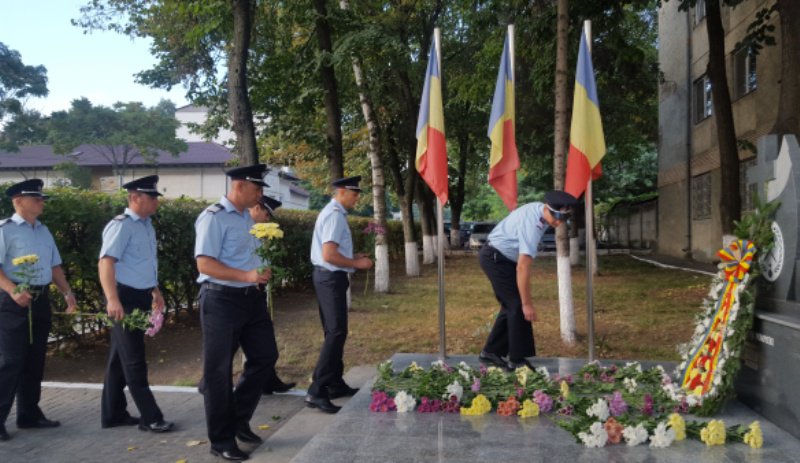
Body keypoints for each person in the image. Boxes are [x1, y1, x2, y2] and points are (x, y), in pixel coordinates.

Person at [195, 164, 278, 461]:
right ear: (240, 186)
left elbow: (247, 258)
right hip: (221, 301)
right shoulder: (213, 217)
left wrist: (259, 271)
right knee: (218, 372)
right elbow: (204, 264)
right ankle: (221, 440)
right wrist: (246, 276)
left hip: (250, 300)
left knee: (266, 356)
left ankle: (238, 418)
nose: (260, 195)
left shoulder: (247, 217)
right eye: (257, 189)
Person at [0, 179, 77, 442]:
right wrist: (12, 290)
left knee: (35, 359)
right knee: (10, 362)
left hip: (40, 298)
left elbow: (54, 266)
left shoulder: (43, 231)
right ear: (18, 201)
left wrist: (67, 292)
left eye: (42, 198)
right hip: (13, 301)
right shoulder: (5, 230)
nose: (42, 202)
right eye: (37, 199)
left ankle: (29, 414)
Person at [99, 175, 174, 433]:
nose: (156, 202)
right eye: (151, 197)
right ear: (134, 198)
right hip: (124, 297)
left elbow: (142, 263)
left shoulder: (146, 224)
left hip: (140, 294)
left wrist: (155, 290)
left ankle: (112, 414)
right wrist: (112, 299)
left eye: (155, 197)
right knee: (134, 359)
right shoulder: (121, 225)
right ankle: (150, 416)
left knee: (119, 358)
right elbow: (106, 262)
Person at [477, 190, 577, 371]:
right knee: (517, 306)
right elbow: (523, 267)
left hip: (501, 257)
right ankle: (517, 360)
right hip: (496, 259)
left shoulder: (538, 210)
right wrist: (527, 304)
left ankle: (491, 353)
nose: (559, 222)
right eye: (556, 216)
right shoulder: (533, 226)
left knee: (510, 306)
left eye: (563, 218)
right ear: (547, 209)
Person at [305, 176, 373, 414]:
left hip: (329, 277)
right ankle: (317, 390)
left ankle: (334, 383)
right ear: (341, 192)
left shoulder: (335, 213)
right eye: (354, 194)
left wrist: (353, 258)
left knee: (335, 331)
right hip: (330, 277)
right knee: (335, 332)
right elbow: (330, 255)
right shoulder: (334, 215)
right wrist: (357, 263)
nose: (357, 198)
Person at [249, 195, 296, 396]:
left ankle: (269, 381)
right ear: (257, 208)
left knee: (265, 342)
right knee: (231, 344)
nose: (268, 218)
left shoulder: (259, 232)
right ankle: (209, 382)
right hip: (240, 291)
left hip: (255, 291)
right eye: (266, 213)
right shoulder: (243, 228)